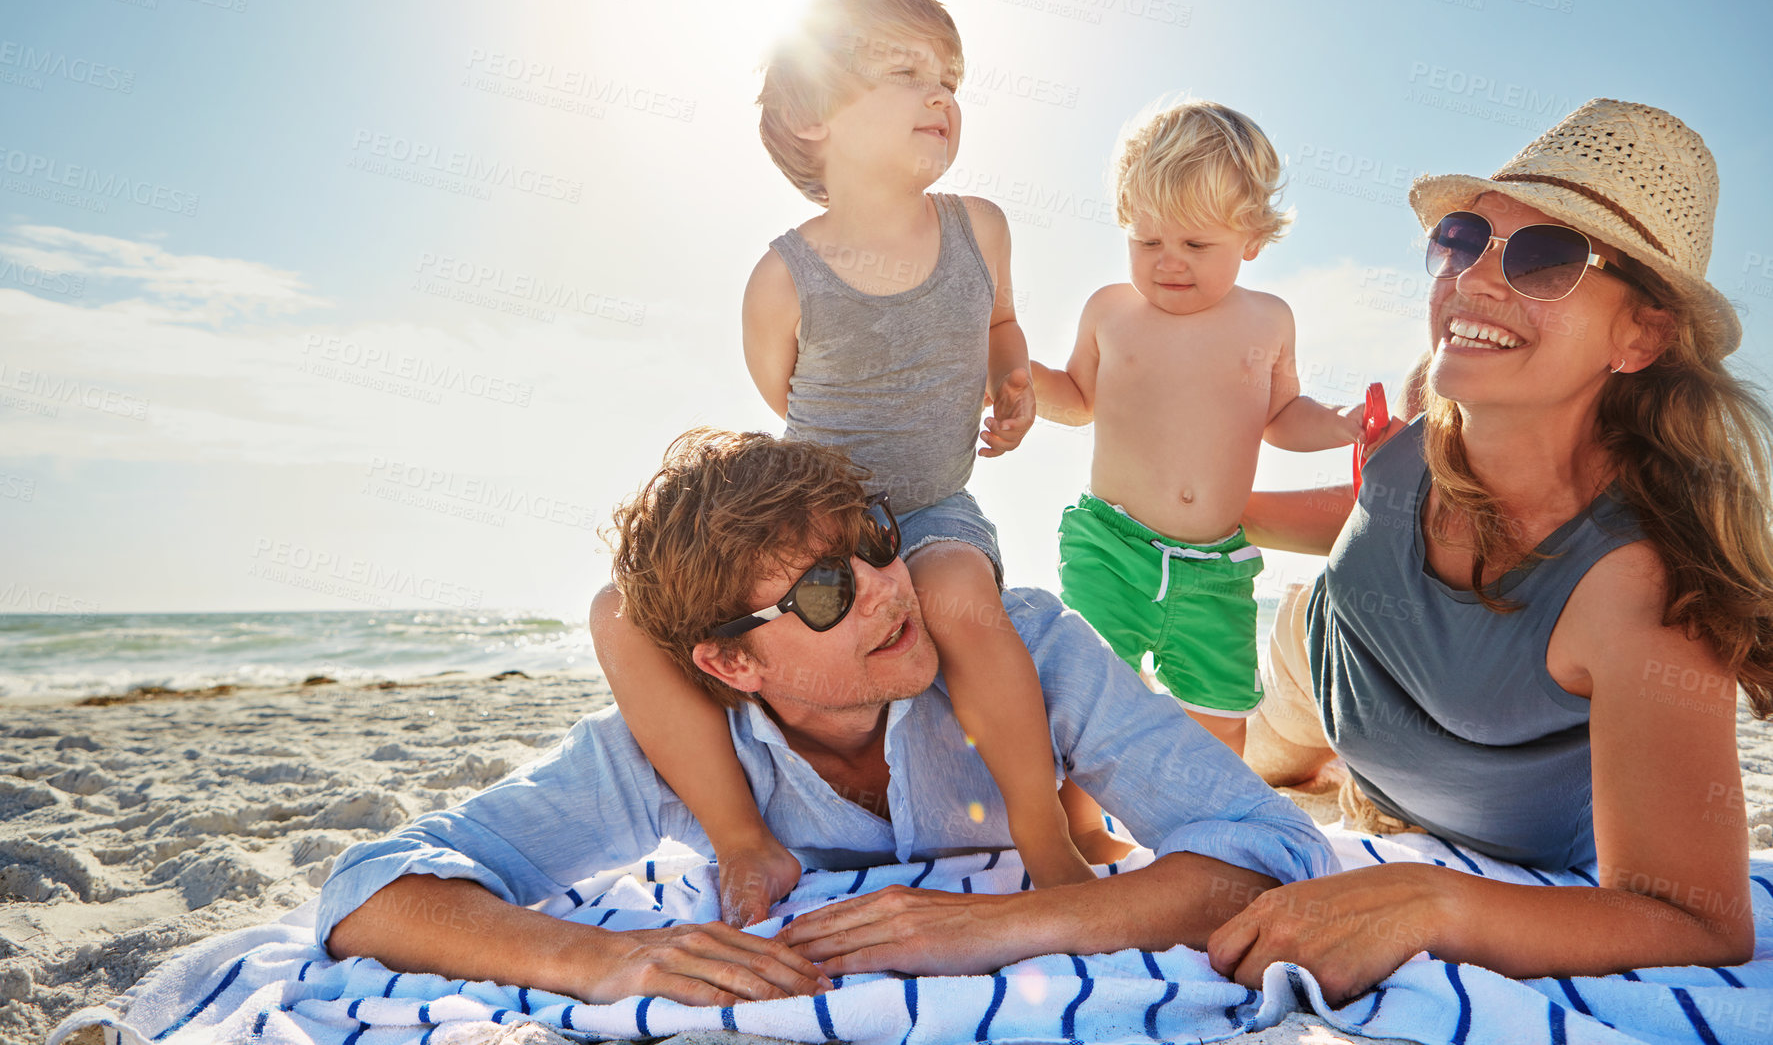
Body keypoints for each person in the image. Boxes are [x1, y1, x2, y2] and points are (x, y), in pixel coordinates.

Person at [317, 429, 1338, 1007]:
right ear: (729, 658)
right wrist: (608, 957)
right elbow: (370, 890)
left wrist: (998, 922)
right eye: (819, 592)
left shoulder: (1024, 650)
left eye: (874, 542)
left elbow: (1274, 846)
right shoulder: (672, 751)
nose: (887, 588)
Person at [595, 0, 1127, 926]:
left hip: (930, 503)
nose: (941, 96)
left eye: (951, 79)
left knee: (963, 596)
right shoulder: (783, 274)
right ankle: (740, 835)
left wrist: (1009, 384)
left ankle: (1044, 835)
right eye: (905, 71)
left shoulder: (979, 228)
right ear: (812, 116)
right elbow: (782, 393)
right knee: (619, 613)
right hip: (812, 525)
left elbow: (1001, 325)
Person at [1215, 99, 1770, 1003]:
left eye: (1544, 257)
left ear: (1642, 334)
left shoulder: (1642, 592)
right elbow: (1366, 515)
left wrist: (1433, 898)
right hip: (1303, 666)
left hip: (1425, 805)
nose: (1471, 278)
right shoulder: (1414, 434)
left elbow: (1698, 920)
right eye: (1463, 237)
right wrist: (1205, 517)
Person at [1031, 99, 1363, 754]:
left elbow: (1279, 416)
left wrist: (1337, 425)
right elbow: (1075, 397)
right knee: (1079, 696)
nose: (1168, 261)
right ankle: (1076, 835)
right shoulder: (1111, 312)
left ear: (1251, 239)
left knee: (1217, 715)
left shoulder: (1267, 321)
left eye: (1194, 244)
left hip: (1216, 564)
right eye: (1147, 241)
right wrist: (1016, 375)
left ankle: (1208, 831)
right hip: (1111, 545)